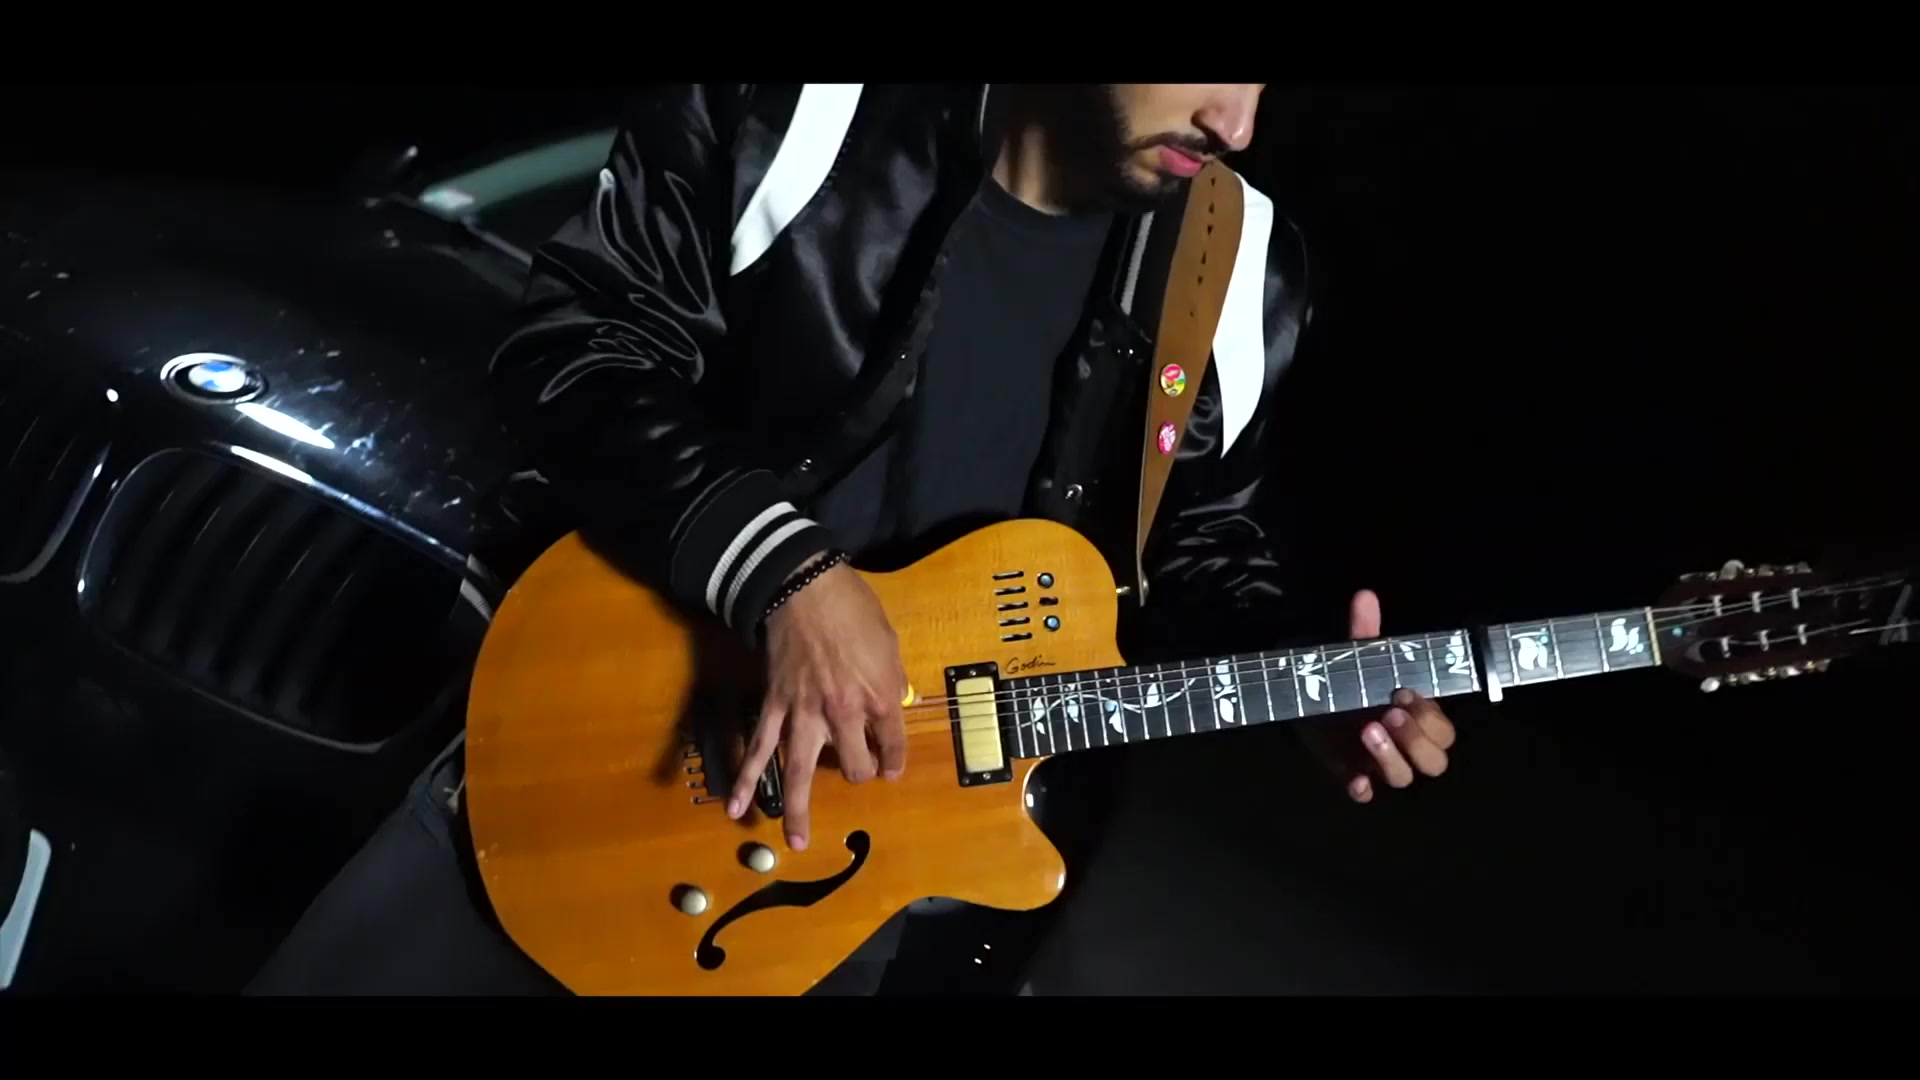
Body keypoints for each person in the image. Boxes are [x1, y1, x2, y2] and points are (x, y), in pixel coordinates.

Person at [247, 83, 1458, 997]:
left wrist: (1306, 669)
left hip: (855, 904)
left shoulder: (1239, 270)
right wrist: (785, 574)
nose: (1236, 122)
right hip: (576, 781)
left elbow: (1194, 557)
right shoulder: (805, 111)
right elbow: (579, 345)